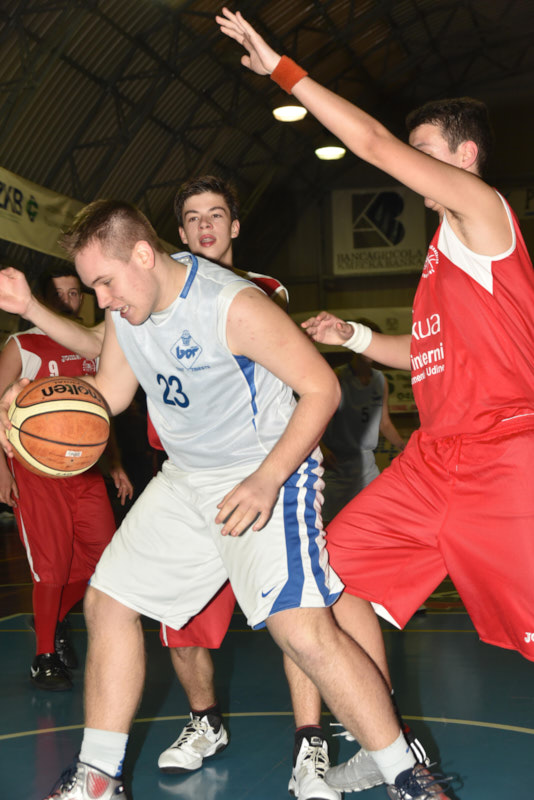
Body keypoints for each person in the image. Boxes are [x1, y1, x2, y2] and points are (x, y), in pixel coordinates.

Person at [0, 198, 451, 800]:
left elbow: (320, 388)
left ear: (143, 255)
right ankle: (98, 777)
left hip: (265, 471)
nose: (102, 299)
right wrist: (37, 401)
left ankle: (407, 776)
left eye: (105, 282)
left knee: (303, 632)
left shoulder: (230, 304)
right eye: (94, 287)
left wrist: (267, 478)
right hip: (187, 479)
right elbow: (108, 392)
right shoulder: (128, 313)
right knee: (108, 602)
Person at [217, 5, 534, 797]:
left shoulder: (483, 215)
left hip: (504, 459)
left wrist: (282, 69)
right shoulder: (444, 256)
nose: (407, 167)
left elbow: (371, 143)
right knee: (332, 576)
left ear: (464, 158)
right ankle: (389, 741)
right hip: (433, 463)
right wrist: (354, 335)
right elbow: (426, 353)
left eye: (424, 153)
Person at [0, 265, 133, 691]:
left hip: (85, 468)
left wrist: (114, 462)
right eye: (60, 293)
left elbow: (95, 414)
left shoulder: (95, 345)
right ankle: (44, 656)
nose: (69, 300)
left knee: (105, 557)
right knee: (52, 565)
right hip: (35, 472)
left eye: (75, 293)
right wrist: (1, 469)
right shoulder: (23, 344)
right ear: (42, 298)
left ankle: (53, 620)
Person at [320, 321, 405, 524]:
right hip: (338, 466)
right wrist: (322, 448)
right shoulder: (337, 376)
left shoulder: (380, 380)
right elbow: (318, 418)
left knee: (375, 521)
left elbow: (384, 423)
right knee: (330, 525)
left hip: (367, 466)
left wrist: (406, 447)